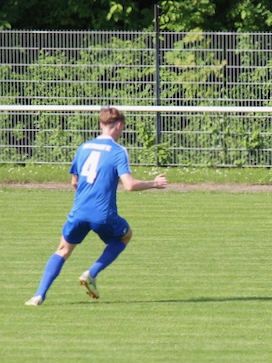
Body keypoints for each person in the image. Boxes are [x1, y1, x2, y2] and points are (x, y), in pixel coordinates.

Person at [25, 107, 167, 306]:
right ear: (119, 126)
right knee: (125, 236)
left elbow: (74, 182)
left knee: (63, 250)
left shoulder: (84, 147)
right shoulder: (118, 151)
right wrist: (154, 183)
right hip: (102, 214)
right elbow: (129, 185)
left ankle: (38, 295)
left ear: (101, 124)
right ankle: (91, 274)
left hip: (79, 211)